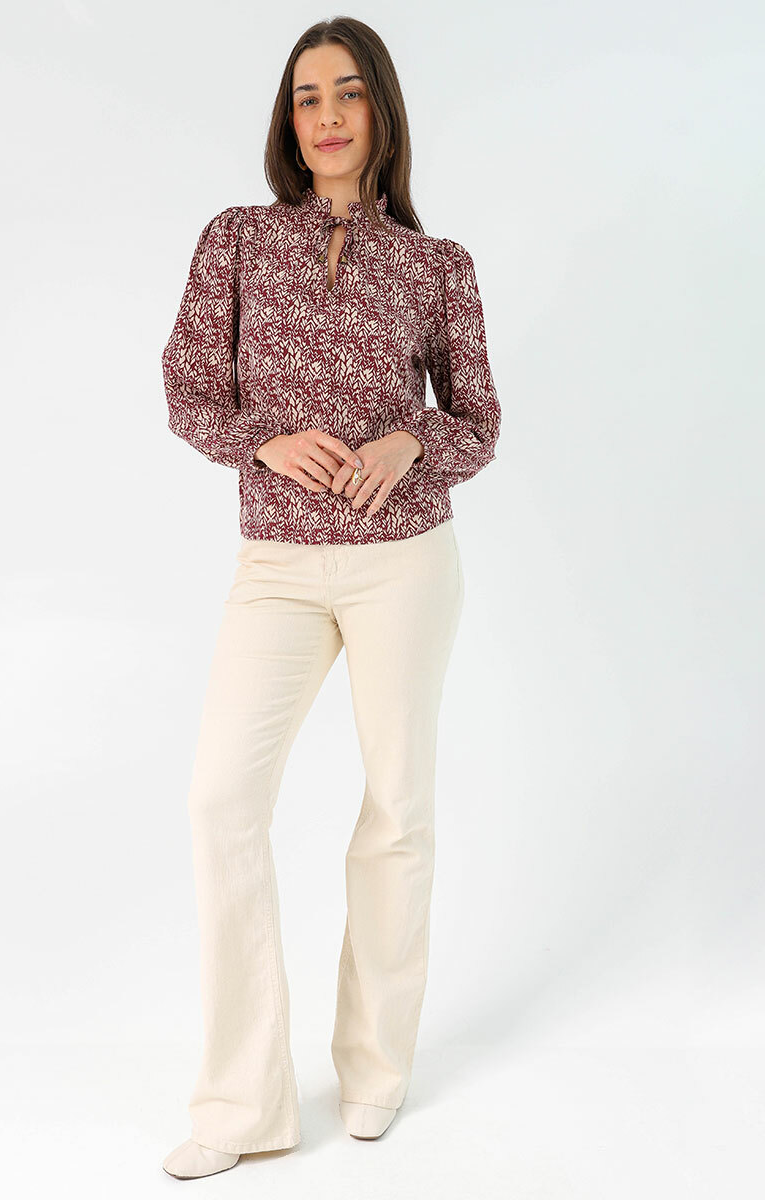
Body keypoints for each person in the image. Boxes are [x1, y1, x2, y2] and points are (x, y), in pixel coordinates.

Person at [160, 17, 501, 1180]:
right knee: (220, 802)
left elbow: (477, 421)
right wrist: (265, 437)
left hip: (405, 559)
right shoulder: (237, 240)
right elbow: (190, 390)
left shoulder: (437, 265)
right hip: (278, 566)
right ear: (287, 119)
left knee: (396, 810)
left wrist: (413, 440)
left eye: (347, 93)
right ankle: (242, 1102)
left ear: (380, 112)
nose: (326, 116)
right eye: (306, 97)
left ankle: (373, 1068)